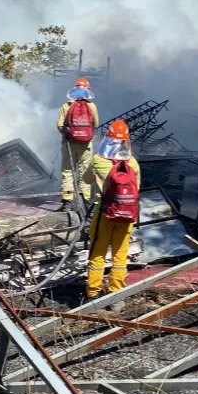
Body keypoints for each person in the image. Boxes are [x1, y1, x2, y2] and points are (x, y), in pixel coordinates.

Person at [81, 119, 140, 309]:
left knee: (97, 253)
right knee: (120, 255)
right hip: (127, 216)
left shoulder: (99, 161)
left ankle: (93, 293)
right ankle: (116, 296)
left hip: (104, 214)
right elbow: (137, 188)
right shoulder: (133, 163)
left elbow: (86, 178)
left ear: (108, 138)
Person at [57, 78, 98, 210]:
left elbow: (59, 125)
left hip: (69, 144)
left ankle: (67, 202)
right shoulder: (91, 106)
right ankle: (84, 200)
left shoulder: (66, 106)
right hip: (86, 145)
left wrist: (68, 134)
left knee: (68, 171)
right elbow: (96, 124)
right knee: (84, 170)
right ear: (87, 90)